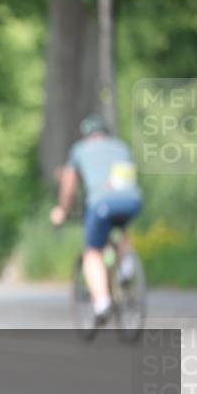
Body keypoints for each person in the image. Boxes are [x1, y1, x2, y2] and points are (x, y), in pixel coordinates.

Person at [50, 114, 143, 324]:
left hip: (101, 203)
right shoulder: (121, 147)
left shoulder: (80, 149)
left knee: (92, 251)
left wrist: (63, 211)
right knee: (121, 228)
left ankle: (102, 302)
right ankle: (126, 267)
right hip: (132, 200)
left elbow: (69, 186)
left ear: (86, 135)